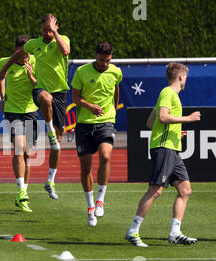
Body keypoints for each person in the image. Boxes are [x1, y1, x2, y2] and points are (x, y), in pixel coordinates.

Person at [0, 13, 70, 200]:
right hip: (41, 90)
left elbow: (66, 51)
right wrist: (4, 70)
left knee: (57, 146)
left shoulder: (63, 40)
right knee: (46, 99)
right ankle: (48, 126)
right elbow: (17, 55)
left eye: (50, 29)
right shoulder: (33, 44)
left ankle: (50, 181)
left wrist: (55, 33)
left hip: (60, 93)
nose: (47, 33)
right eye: (44, 30)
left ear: (56, 27)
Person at [125, 62, 200, 247]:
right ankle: (133, 231)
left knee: (185, 190)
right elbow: (162, 117)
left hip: (172, 148)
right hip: (164, 147)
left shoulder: (168, 94)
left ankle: (175, 232)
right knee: (156, 189)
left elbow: (150, 122)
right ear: (181, 77)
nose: (186, 80)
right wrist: (187, 119)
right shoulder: (168, 93)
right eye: (186, 77)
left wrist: (176, 130)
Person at [71, 42, 122, 227]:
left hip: (106, 122)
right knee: (86, 169)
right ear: (95, 55)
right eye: (101, 60)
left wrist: (113, 112)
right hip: (85, 124)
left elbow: (116, 91)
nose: (104, 64)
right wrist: (89, 106)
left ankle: (101, 200)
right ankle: (90, 207)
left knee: (106, 155)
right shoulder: (81, 72)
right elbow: (75, 98)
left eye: (107, 60)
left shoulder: (116, 71)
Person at [0, 35, 38, 213]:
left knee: (28, 154)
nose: (24, 58)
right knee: (19, 148)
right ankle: (21, 190)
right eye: (20, 54)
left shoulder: (36, 62)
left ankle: (23, 195)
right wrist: (3, 96)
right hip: (13, 111)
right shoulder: (4, 62)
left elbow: (40, 86)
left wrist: (31, 77)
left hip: (31, 110)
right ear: (15, 51)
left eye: (26, 55)